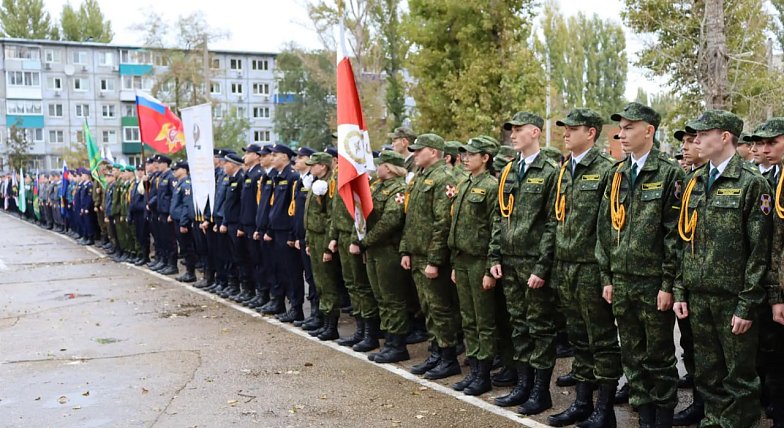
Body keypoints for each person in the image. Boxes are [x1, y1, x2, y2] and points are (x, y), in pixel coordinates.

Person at [674, 110, 771, 428]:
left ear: (725, 137)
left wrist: (747, 305)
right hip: (698, 296)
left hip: (733, 300)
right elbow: (683, 241)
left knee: (739, 379)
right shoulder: (694, 181)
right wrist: (680, 289)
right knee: (708, 374)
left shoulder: (751, 183)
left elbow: (760, 253)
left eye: (703, 134)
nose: (696, 140)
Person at [596, 102, 683, 426]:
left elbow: (675, 236)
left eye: (630, 127)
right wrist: (607, 275)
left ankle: (662, 417)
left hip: (652, 282)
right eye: (621, 127)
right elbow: (605, 228)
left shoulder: (668, 172)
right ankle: (644, 415)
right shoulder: (617, 174)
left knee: (659, 356)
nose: (622, 133)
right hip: (622, 279)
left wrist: (667, 284)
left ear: (649, 130)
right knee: (631, 354)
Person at [547, 108, 621, 428]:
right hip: (566, 266)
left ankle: (604, 410)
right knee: (578, 338)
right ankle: (582, 401)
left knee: (600, 339)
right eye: (565, 128)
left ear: (591, 133)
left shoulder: (606, 169)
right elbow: (557, 220)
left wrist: (607, 273)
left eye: (572, 128)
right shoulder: (566, 169)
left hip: (591, 267)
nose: (565, 133)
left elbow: (609, 227)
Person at [488, 112, 558, 416]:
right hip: (510, 261)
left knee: (540, 327)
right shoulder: (508, 170)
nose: (513, 135)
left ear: (535, 132)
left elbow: (553, 223)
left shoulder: (551, 171)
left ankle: (541, 391)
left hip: (533, 263)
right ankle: (524, 384)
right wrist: (494, 255)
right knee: (519, 325)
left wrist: (542, 267)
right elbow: (499, 217)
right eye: (511, 131)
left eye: (518, 130)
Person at [400, 133, 461, 380]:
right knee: (428, 307)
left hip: (430, 257)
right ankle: (436, 353)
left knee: (439, 308)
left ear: (433, 152)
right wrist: (406, 249)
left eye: (419, 150)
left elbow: (442, 223)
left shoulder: (443, 177)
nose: (414, 154)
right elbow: (411, 217)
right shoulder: (420, 177)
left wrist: (435, 260)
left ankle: (448, 357)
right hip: (417, 253)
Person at [448, 136, 500, 396]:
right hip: (463, 259)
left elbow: (495, 229)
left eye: (471, 154)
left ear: (485, 157)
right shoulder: (464, 183)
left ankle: (484, 375)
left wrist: (491, 268)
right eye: (464, 154)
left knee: (484, 321)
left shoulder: (491, 186)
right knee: (468, 319)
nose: (465, 158)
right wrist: (456, 263)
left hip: (480, 262)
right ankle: (474, 371)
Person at [352, 151, 412, 363]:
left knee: (392, 299)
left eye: (381, 164)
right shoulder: (377, 186)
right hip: (374, 250)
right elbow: (361, 213)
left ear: (389, 167)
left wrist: (365, 242)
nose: (377, 167)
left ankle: (398, 345)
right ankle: (389, 341)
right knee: (381, 298)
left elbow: (390, 221)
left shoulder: (399, 189)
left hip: (388, 250)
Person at [749, 118, 784, 428]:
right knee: (767, 353)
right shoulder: (759, 179)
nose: (765, 148)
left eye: (772, 142)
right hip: (765, 282)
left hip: (777, 282)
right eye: (760, 143)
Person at [301, 152, 343, 340]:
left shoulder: (329, 185)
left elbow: (330, 217)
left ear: (323, 166)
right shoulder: (316, 183)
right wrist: (309, 240)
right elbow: (309, 216)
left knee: (328, 282)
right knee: (319, 282)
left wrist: (328, 246)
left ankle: (331, 326)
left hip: (324, 238)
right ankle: (325, 322)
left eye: (314, 164)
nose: (311, 167)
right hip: (315, 238)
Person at [170, 160, 197, 283]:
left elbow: (187, 205)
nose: (174, 171)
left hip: (182, 220)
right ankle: (188, 272)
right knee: (184, 247)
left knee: (187, 248)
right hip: (177, 219)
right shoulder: (179, 183)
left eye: (177, 169)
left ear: (184, 170)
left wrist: (184, 223)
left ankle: (190, 273)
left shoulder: (186, 184)